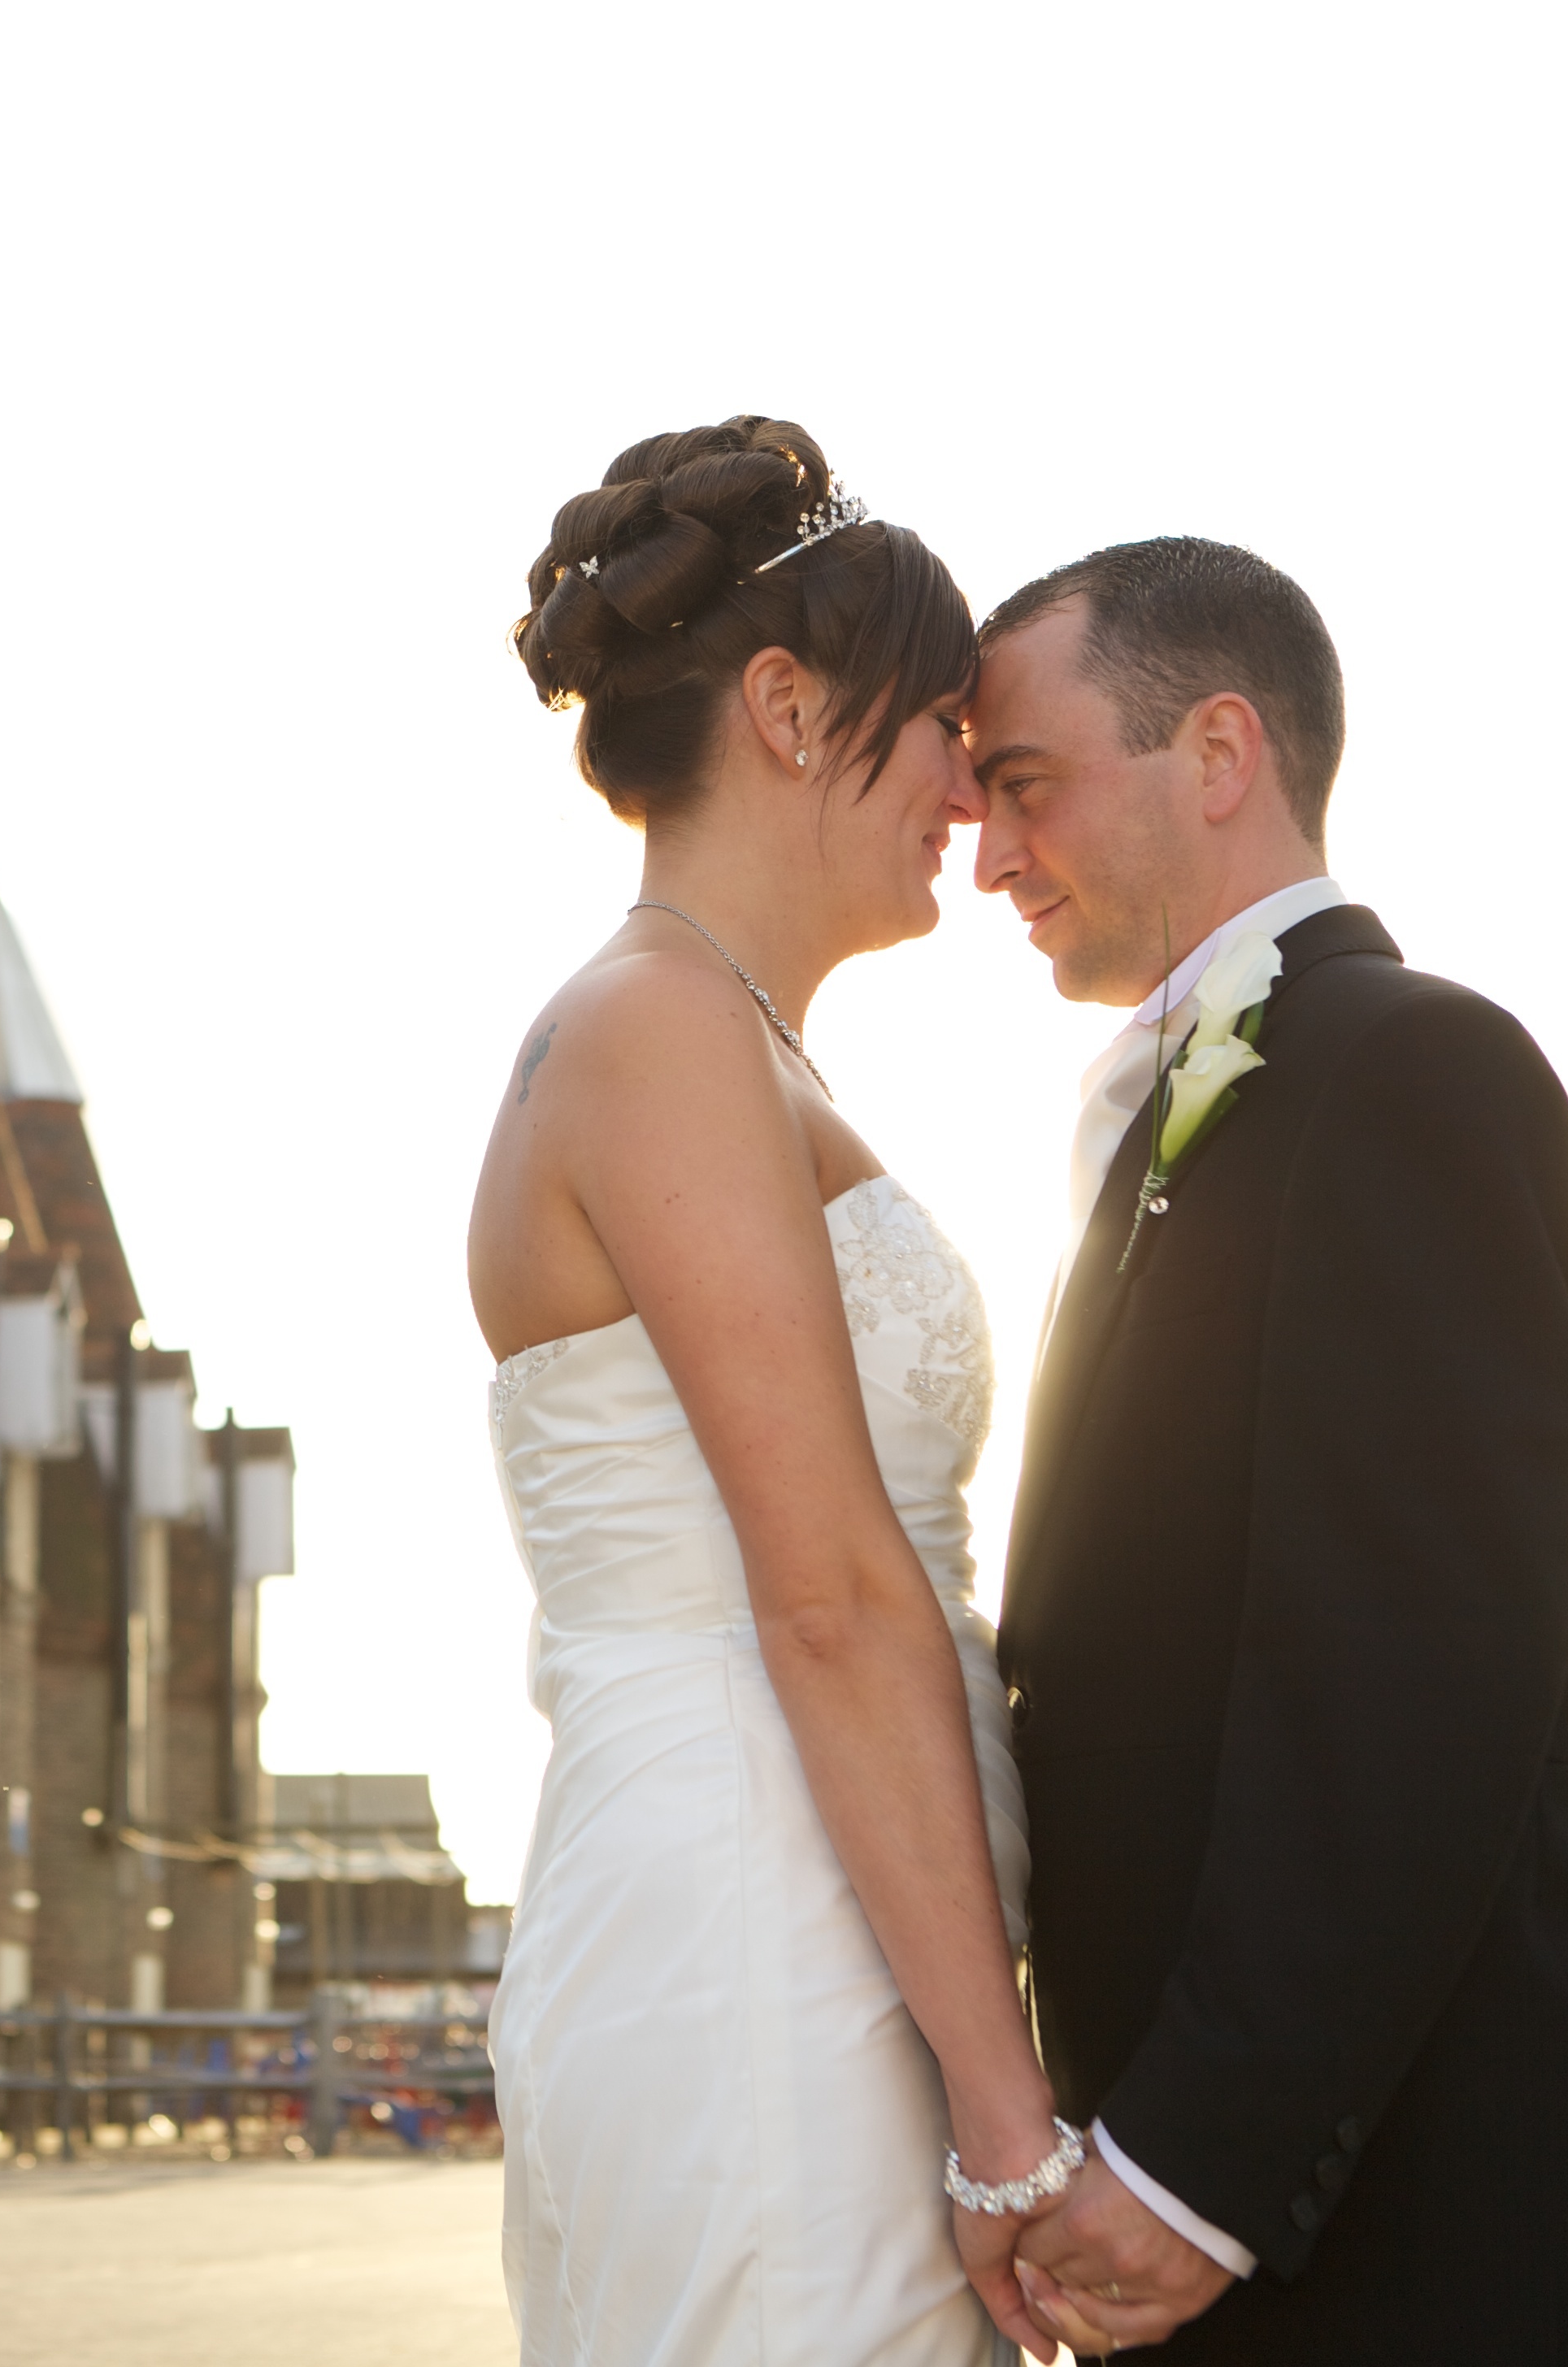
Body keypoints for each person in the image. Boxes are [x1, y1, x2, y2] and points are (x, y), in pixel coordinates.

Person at [966, 539, 1568, 2360]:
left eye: (1023, 783)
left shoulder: (1411, 1073)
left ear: (1218, 753)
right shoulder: (1214, 1114)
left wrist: (1191, 2165)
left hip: (1426, 2236)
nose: (988, 853)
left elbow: (1414, 1673)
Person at [469, 418, 1061, 2365]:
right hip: (752, 1930)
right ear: (792, 708)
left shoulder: (739, 1044)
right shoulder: (656, 1031)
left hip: (830, 1903)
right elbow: (821, 1590)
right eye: (943, 728)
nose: (972, 792)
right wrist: (1007, 2121)